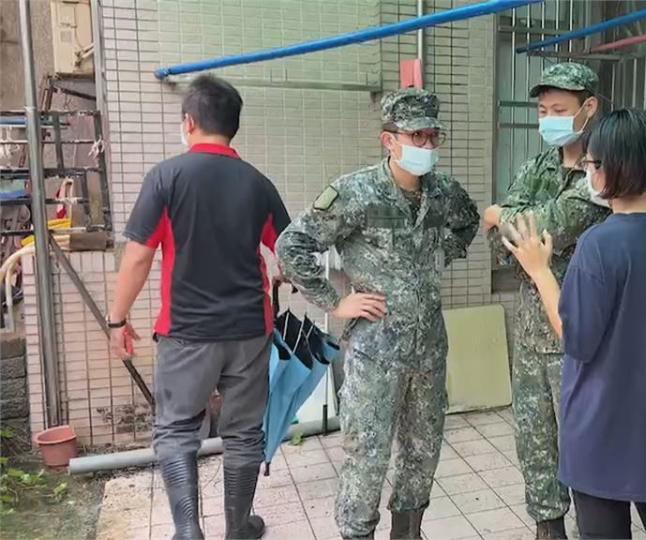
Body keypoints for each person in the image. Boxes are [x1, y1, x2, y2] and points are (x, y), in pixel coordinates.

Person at [500, 108, 646, 539]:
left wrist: (541, 271)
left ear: (610, 169)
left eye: (590, 165)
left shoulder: (599, 246)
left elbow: (575, 337)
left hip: (603, 428)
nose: (587, 174)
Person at [276, 88, 479, 540]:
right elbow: (291, 245)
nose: (426, 146)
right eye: (416, 136)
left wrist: (443, 251)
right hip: (376, 352)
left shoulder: (443, 192)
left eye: (433, 137)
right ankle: (357, 534)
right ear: (390, 140)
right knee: (367, 454)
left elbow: (468, 220)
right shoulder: (356, 192)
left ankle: (408, 532)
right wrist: (334, 301)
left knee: (422, 451)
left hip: (428, 350)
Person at [108, 74, 291, 540]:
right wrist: (278, 275)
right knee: (244, 432)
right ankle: (238, 528)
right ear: (232, 126)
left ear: (189, 122)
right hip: (250, 331)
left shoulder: (166, 178)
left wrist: (118, 318)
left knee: (175, 430)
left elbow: (139, 256)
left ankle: (188, 530)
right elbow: (290, 253)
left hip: (186, 333)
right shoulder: (257, 183)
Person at [483, 62, 609, 539]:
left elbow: (549, 226)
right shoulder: (535, 166)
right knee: (533, 439)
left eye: (559, 109)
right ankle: (548, 527)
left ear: (588, 108)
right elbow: (504, 243)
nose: (548, 118)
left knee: (584, 442)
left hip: (578, 334)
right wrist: (513, 224)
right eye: (542, 109)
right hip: (532, 329)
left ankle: (595, 527)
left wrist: (503, 213)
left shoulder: (602, 169)